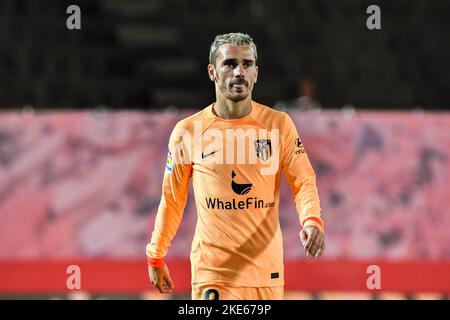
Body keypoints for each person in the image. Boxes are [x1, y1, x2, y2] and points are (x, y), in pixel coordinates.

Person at [146, 32, 325, 300]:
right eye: (229, 64)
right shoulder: (188, 132)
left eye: (247, 64)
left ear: (256, 73)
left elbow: (303, 180)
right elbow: (172, 199)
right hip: (214, 274)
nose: (239, 72)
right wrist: (156, 255)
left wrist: (312, 220)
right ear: (212, 72)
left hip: (267, 274)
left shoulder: (279, 125)